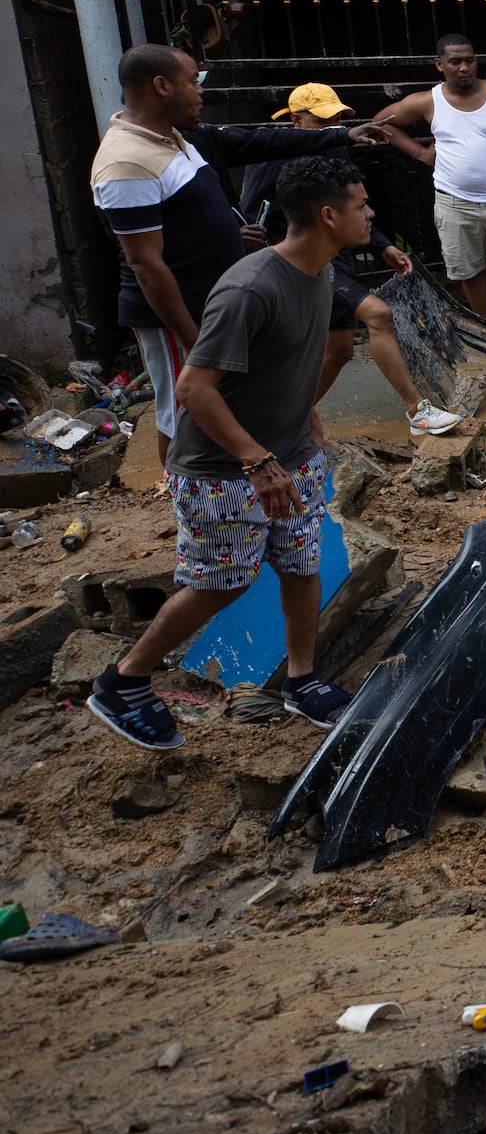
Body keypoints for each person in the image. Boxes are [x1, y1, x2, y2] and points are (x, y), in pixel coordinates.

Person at [88, 155, 376, 751]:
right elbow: (194, 390)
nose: (371, 213)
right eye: (361, 205)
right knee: (220, 583)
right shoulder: (250, 288)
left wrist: (303, 419)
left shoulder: (321, 271)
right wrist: (257, 461)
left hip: (289, 457)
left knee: (302, 567)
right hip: (224, 471)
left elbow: (288, 364)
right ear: (328, 215)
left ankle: (301, 679)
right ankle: (125, 679)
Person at [89, 45, 385, 461]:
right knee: (184, 409)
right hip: (179, 313)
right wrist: (192, 338)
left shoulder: (177, 138)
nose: (200, 92)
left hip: (215, 301)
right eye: (193, 81)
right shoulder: (126, 162)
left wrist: (340, 134)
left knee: (229, 399)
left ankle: (235, 484)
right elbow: (145, 264)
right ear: (161, 86)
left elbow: (254, 142)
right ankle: (186, 499)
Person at [242, 82, 462, 438]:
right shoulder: (272, 156)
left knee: (340, 349)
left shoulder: (335, 147)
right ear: (297, 121)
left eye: (336, 120)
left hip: (338, 256)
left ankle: (289, 416)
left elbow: (354, 208)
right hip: (306, 262)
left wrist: (383, 246)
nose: (332, 128)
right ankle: (416, 410)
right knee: (378, 314)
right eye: (322, 122)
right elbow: (254, 212)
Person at [369, 33, 486, 328]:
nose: (464, 67)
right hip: (454, 204)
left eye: (470, 60)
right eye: (455, 62)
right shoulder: (429, 101)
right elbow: (381, 123)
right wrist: (421, 153)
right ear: (440, 64)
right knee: (468, 272)